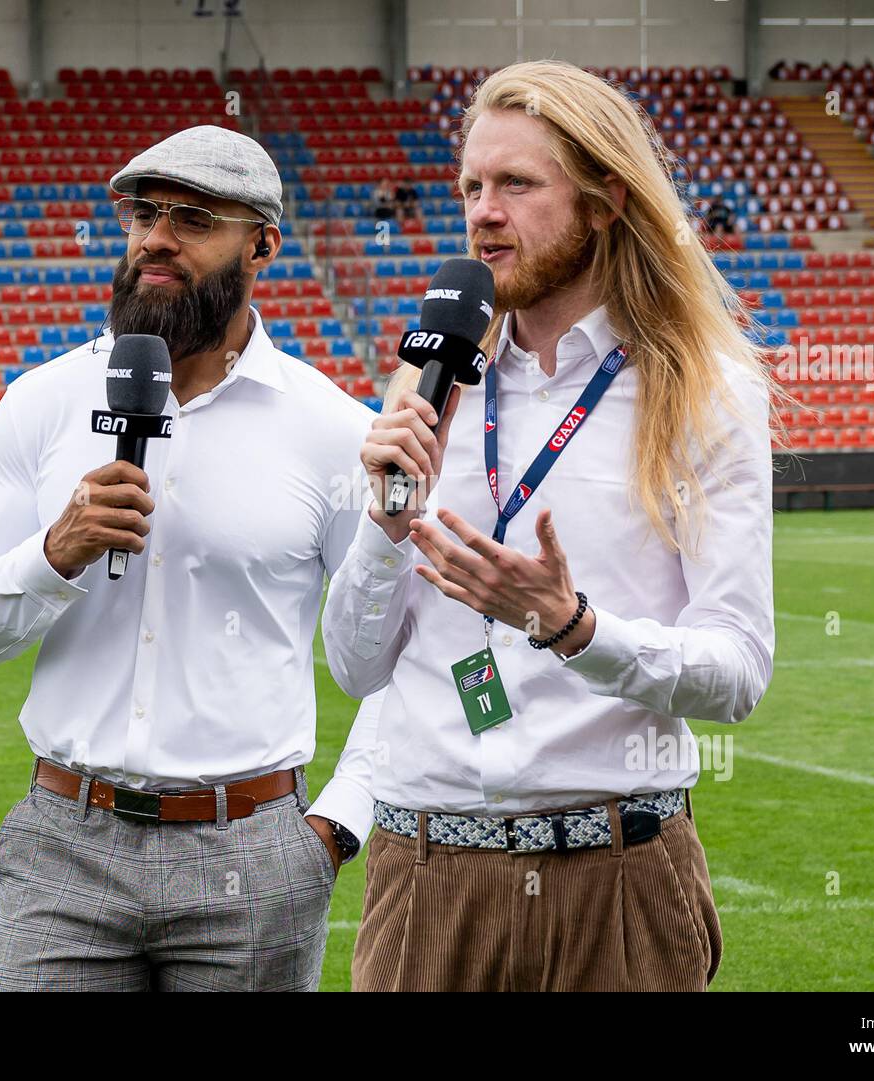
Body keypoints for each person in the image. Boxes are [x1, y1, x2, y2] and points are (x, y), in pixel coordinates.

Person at [314, 60, 775, 992]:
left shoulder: (702, 391)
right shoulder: (429, 385)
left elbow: (737, 670)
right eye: (471, 188)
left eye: (517, 184)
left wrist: (575, 630)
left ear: (605, 200)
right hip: (428, 871)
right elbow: (355, 667)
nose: (483, 212)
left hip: (620, 875)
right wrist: (383, 526)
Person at [0, 125, 371, 992]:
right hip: (66, 841)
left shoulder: (332, 430)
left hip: (254, 853)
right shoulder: (43, 401)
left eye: (194, 218)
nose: (156, 238)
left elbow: (399, 657)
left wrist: (334, 828)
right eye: (144, 213)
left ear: (262, 245)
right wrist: (55, 553)